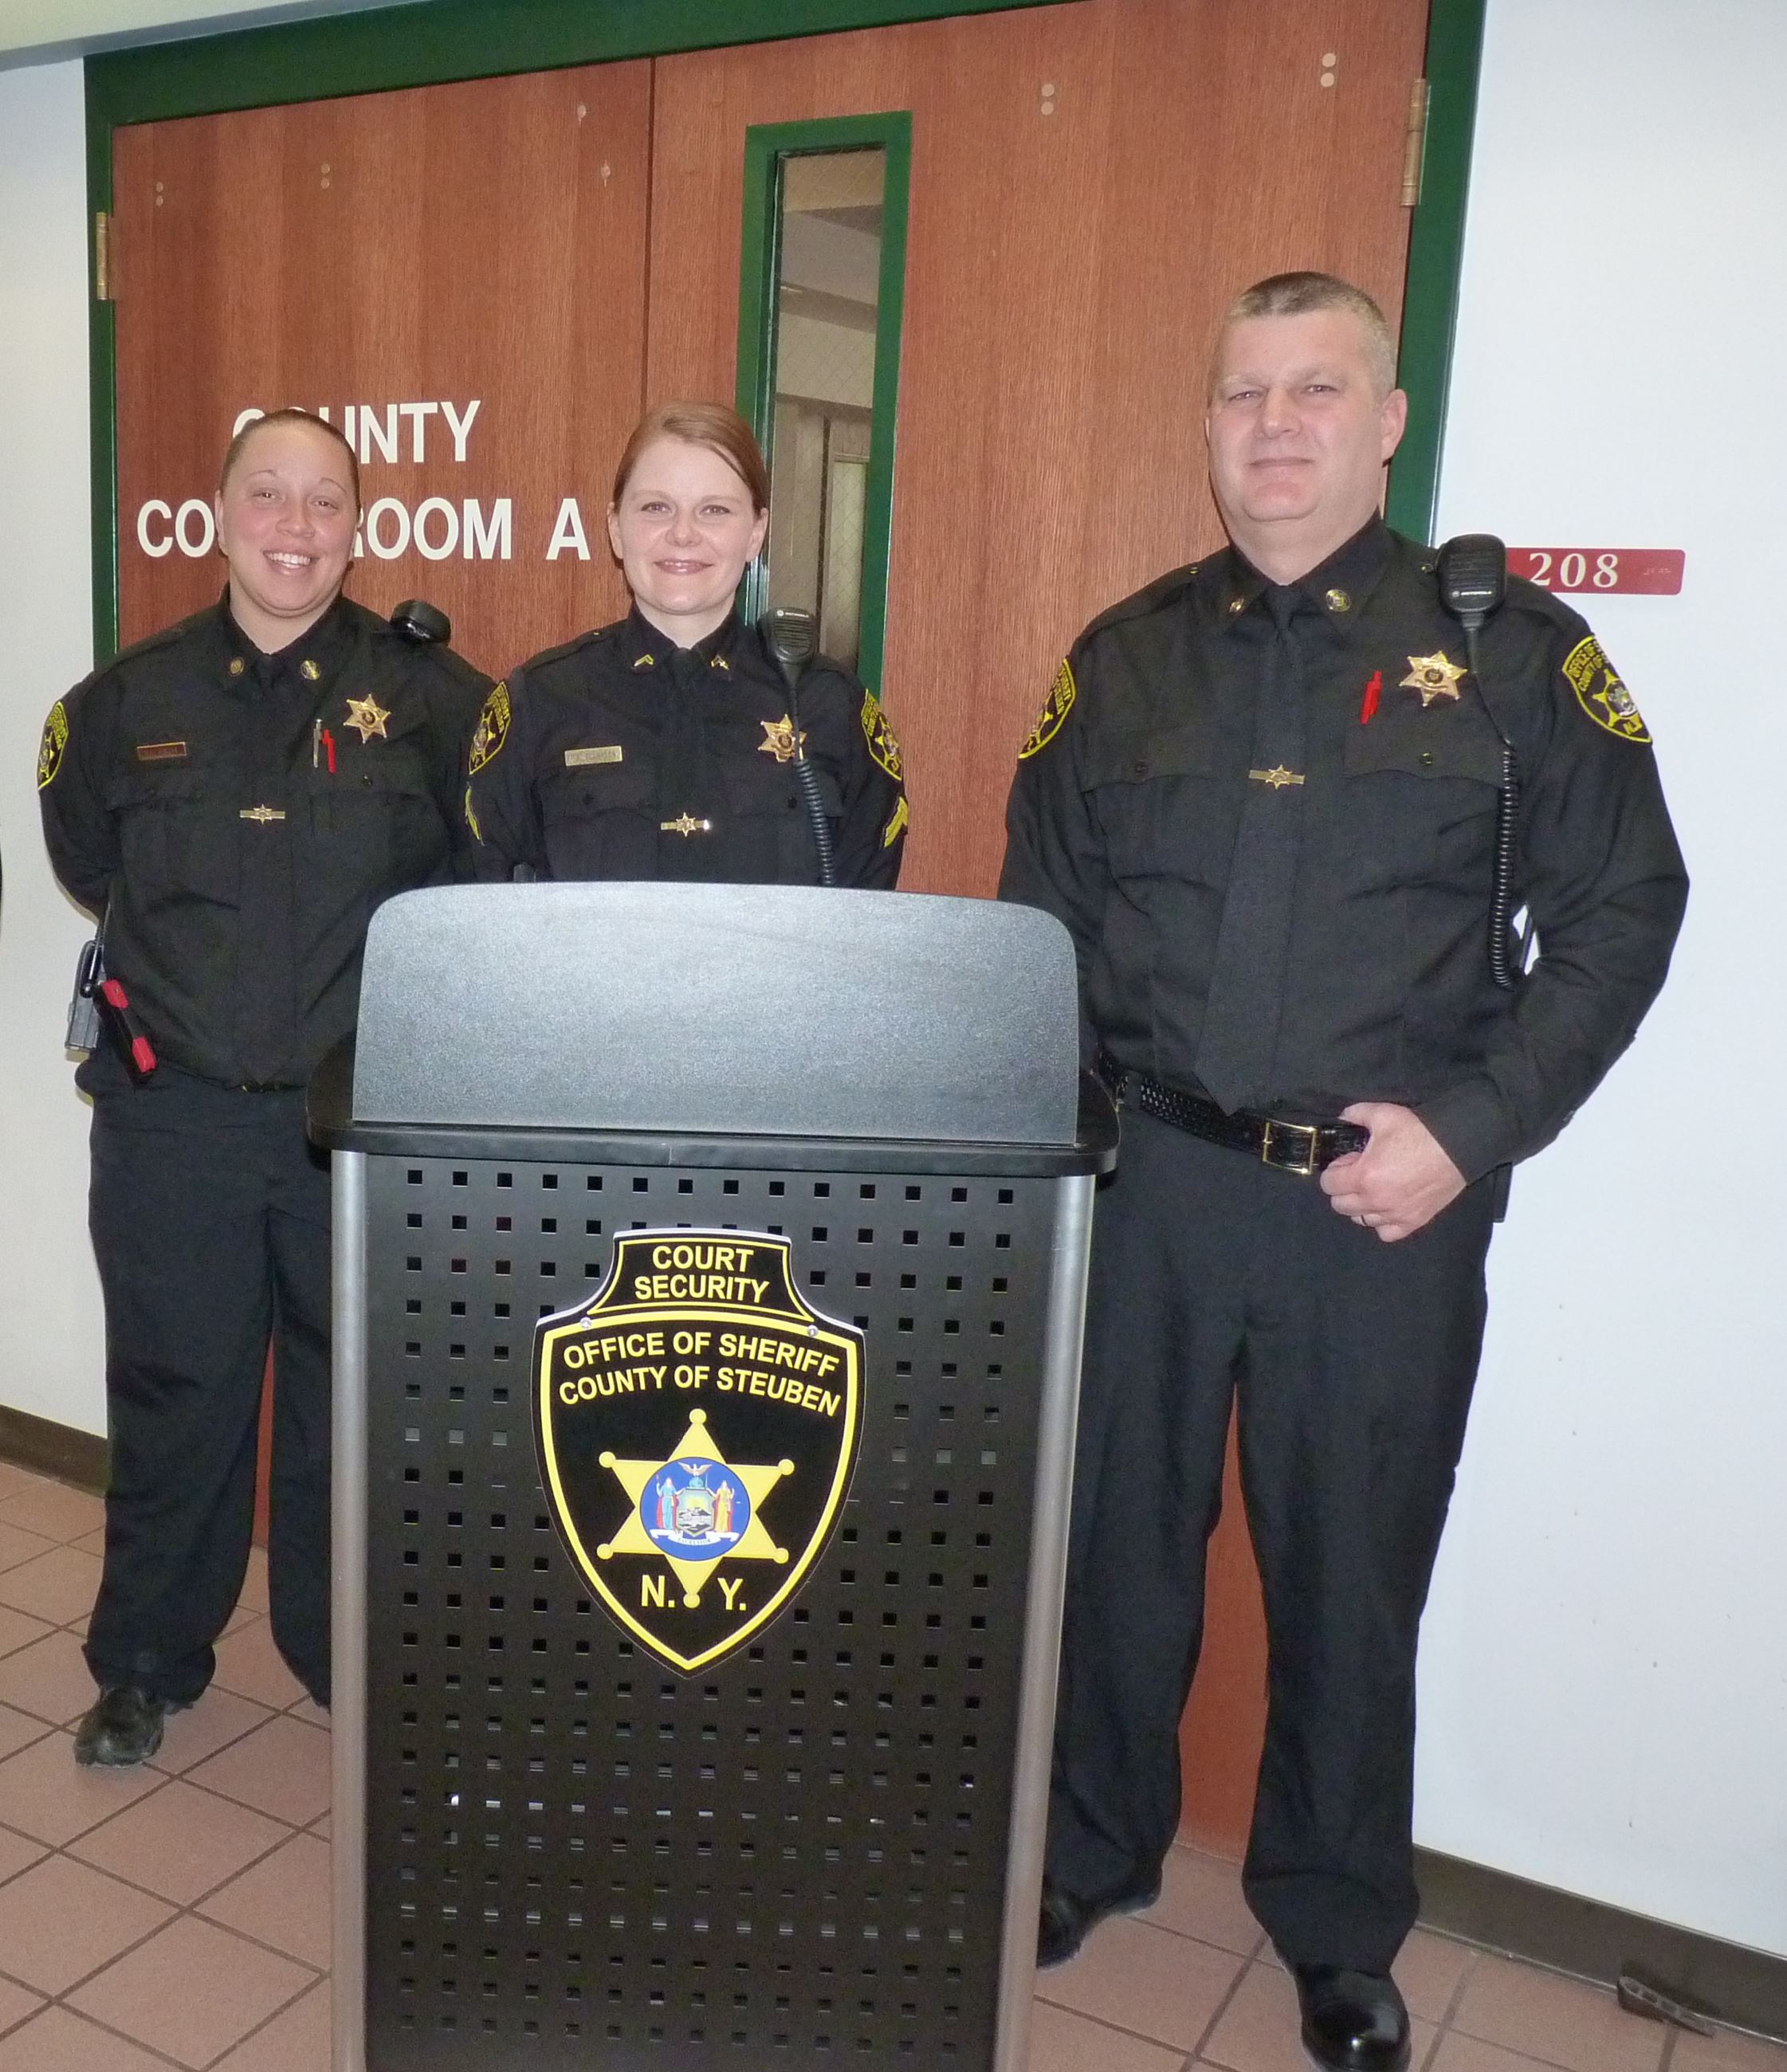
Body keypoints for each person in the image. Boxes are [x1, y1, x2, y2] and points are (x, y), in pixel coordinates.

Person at [1000, 273, 1686, 2070]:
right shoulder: (1122, 655)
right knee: (1112, 1551)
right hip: (1146, 1185)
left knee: (1347, 1570)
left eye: (1318, 389)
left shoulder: (1514, 655)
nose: (1276, 424)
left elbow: (1624, 909)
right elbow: (1041, 928)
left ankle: (1329, 1918)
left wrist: (1470, 1132)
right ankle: (1087, 1850)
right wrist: (1060, 1155)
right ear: (1206, 424)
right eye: (1242, 393)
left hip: (1373, 1214)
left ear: (1385, 422)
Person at [38, 408, 489, 1764]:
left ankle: (344, 1655)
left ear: (360, 527)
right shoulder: (124, 702)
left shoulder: (441, 703)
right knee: (173, 1396)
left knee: (354, 1409)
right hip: (173, 1120)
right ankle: (143, 1663)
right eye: (271, 497)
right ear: (220, 511)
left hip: (356, 1129)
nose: (296, 528)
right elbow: (86, 861)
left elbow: (474, 894)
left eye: (326, 503)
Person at [465, 401, 907, 889]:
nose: (682, 534)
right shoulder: (539, 703)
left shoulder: (829, 707)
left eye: (714, 511)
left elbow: (865, 926)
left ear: (756, 532)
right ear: (615, 527)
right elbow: (494, 917)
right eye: (657, 508)